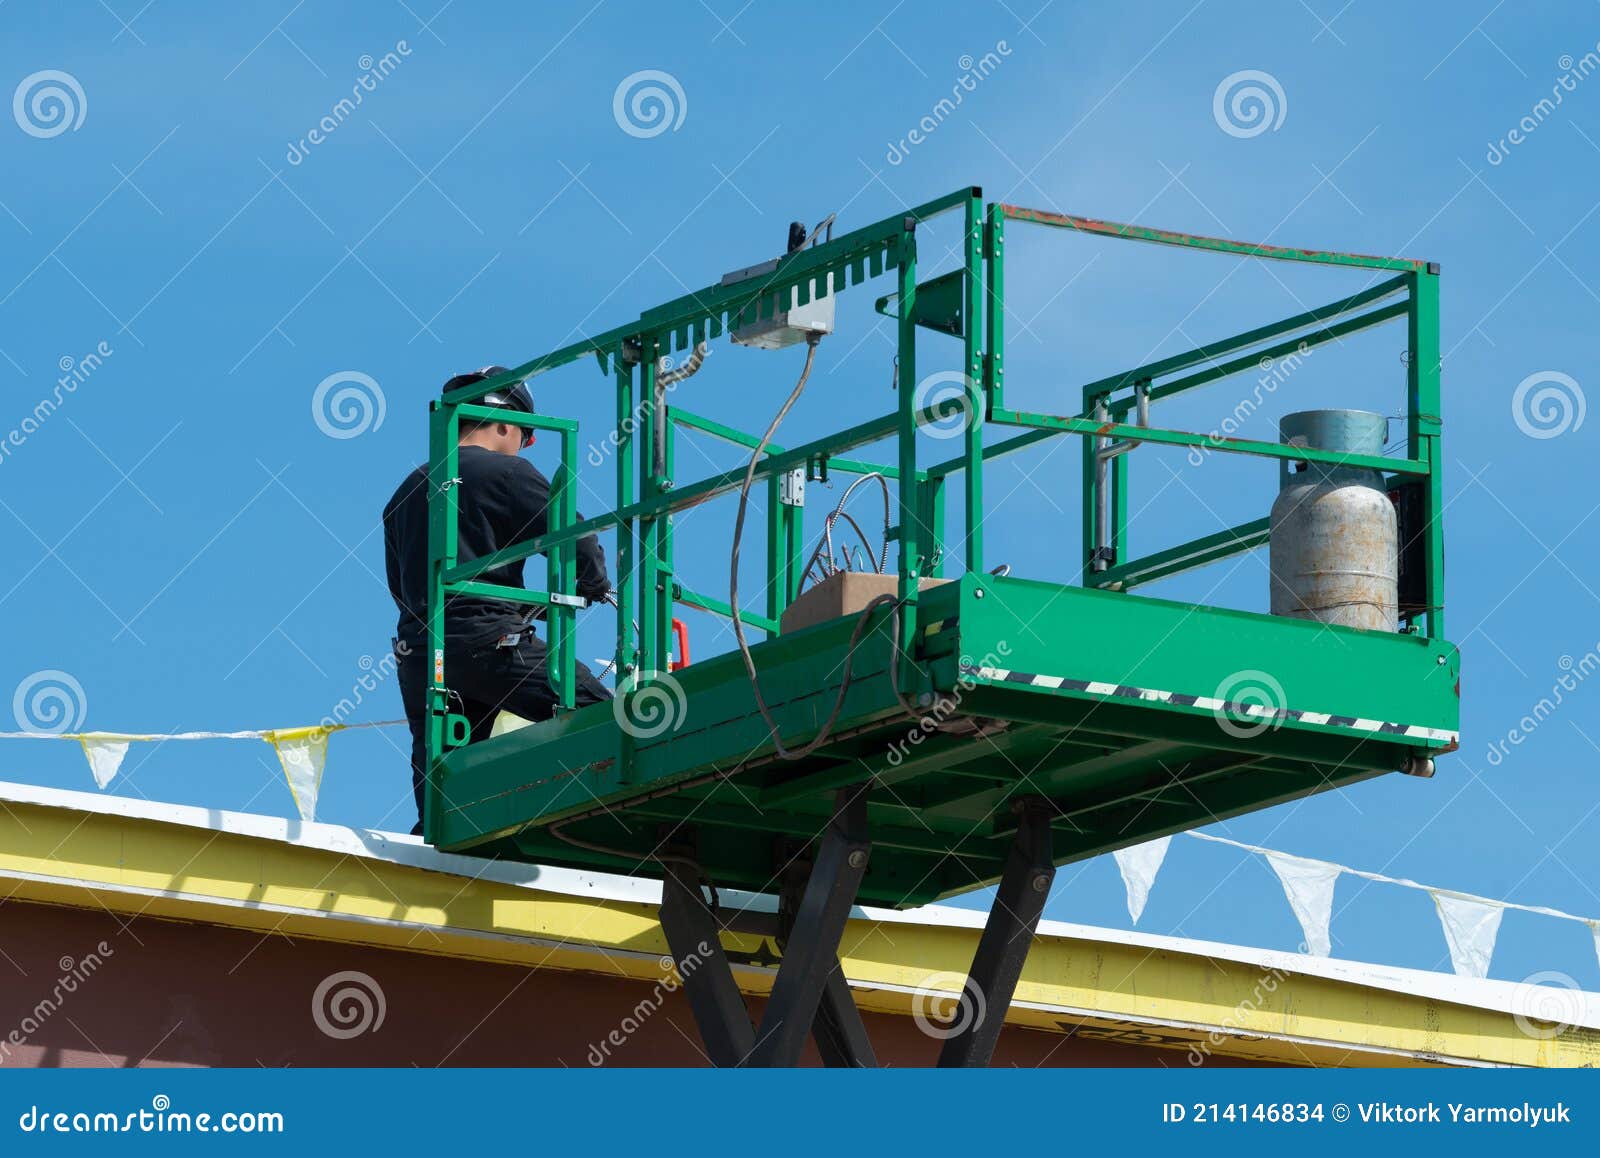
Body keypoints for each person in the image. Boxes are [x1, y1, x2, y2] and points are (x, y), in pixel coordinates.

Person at [383, 366, 613, 834]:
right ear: (506, 424)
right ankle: (598, 828)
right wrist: (590, 585)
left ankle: (435, 859)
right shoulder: (507, 471)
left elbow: (402, 586)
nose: (524, 446)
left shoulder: (405, 491)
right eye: (527, 437)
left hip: (423, 653)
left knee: (445, 791)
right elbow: (576, 538)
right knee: (603, 719)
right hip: (491, 641)